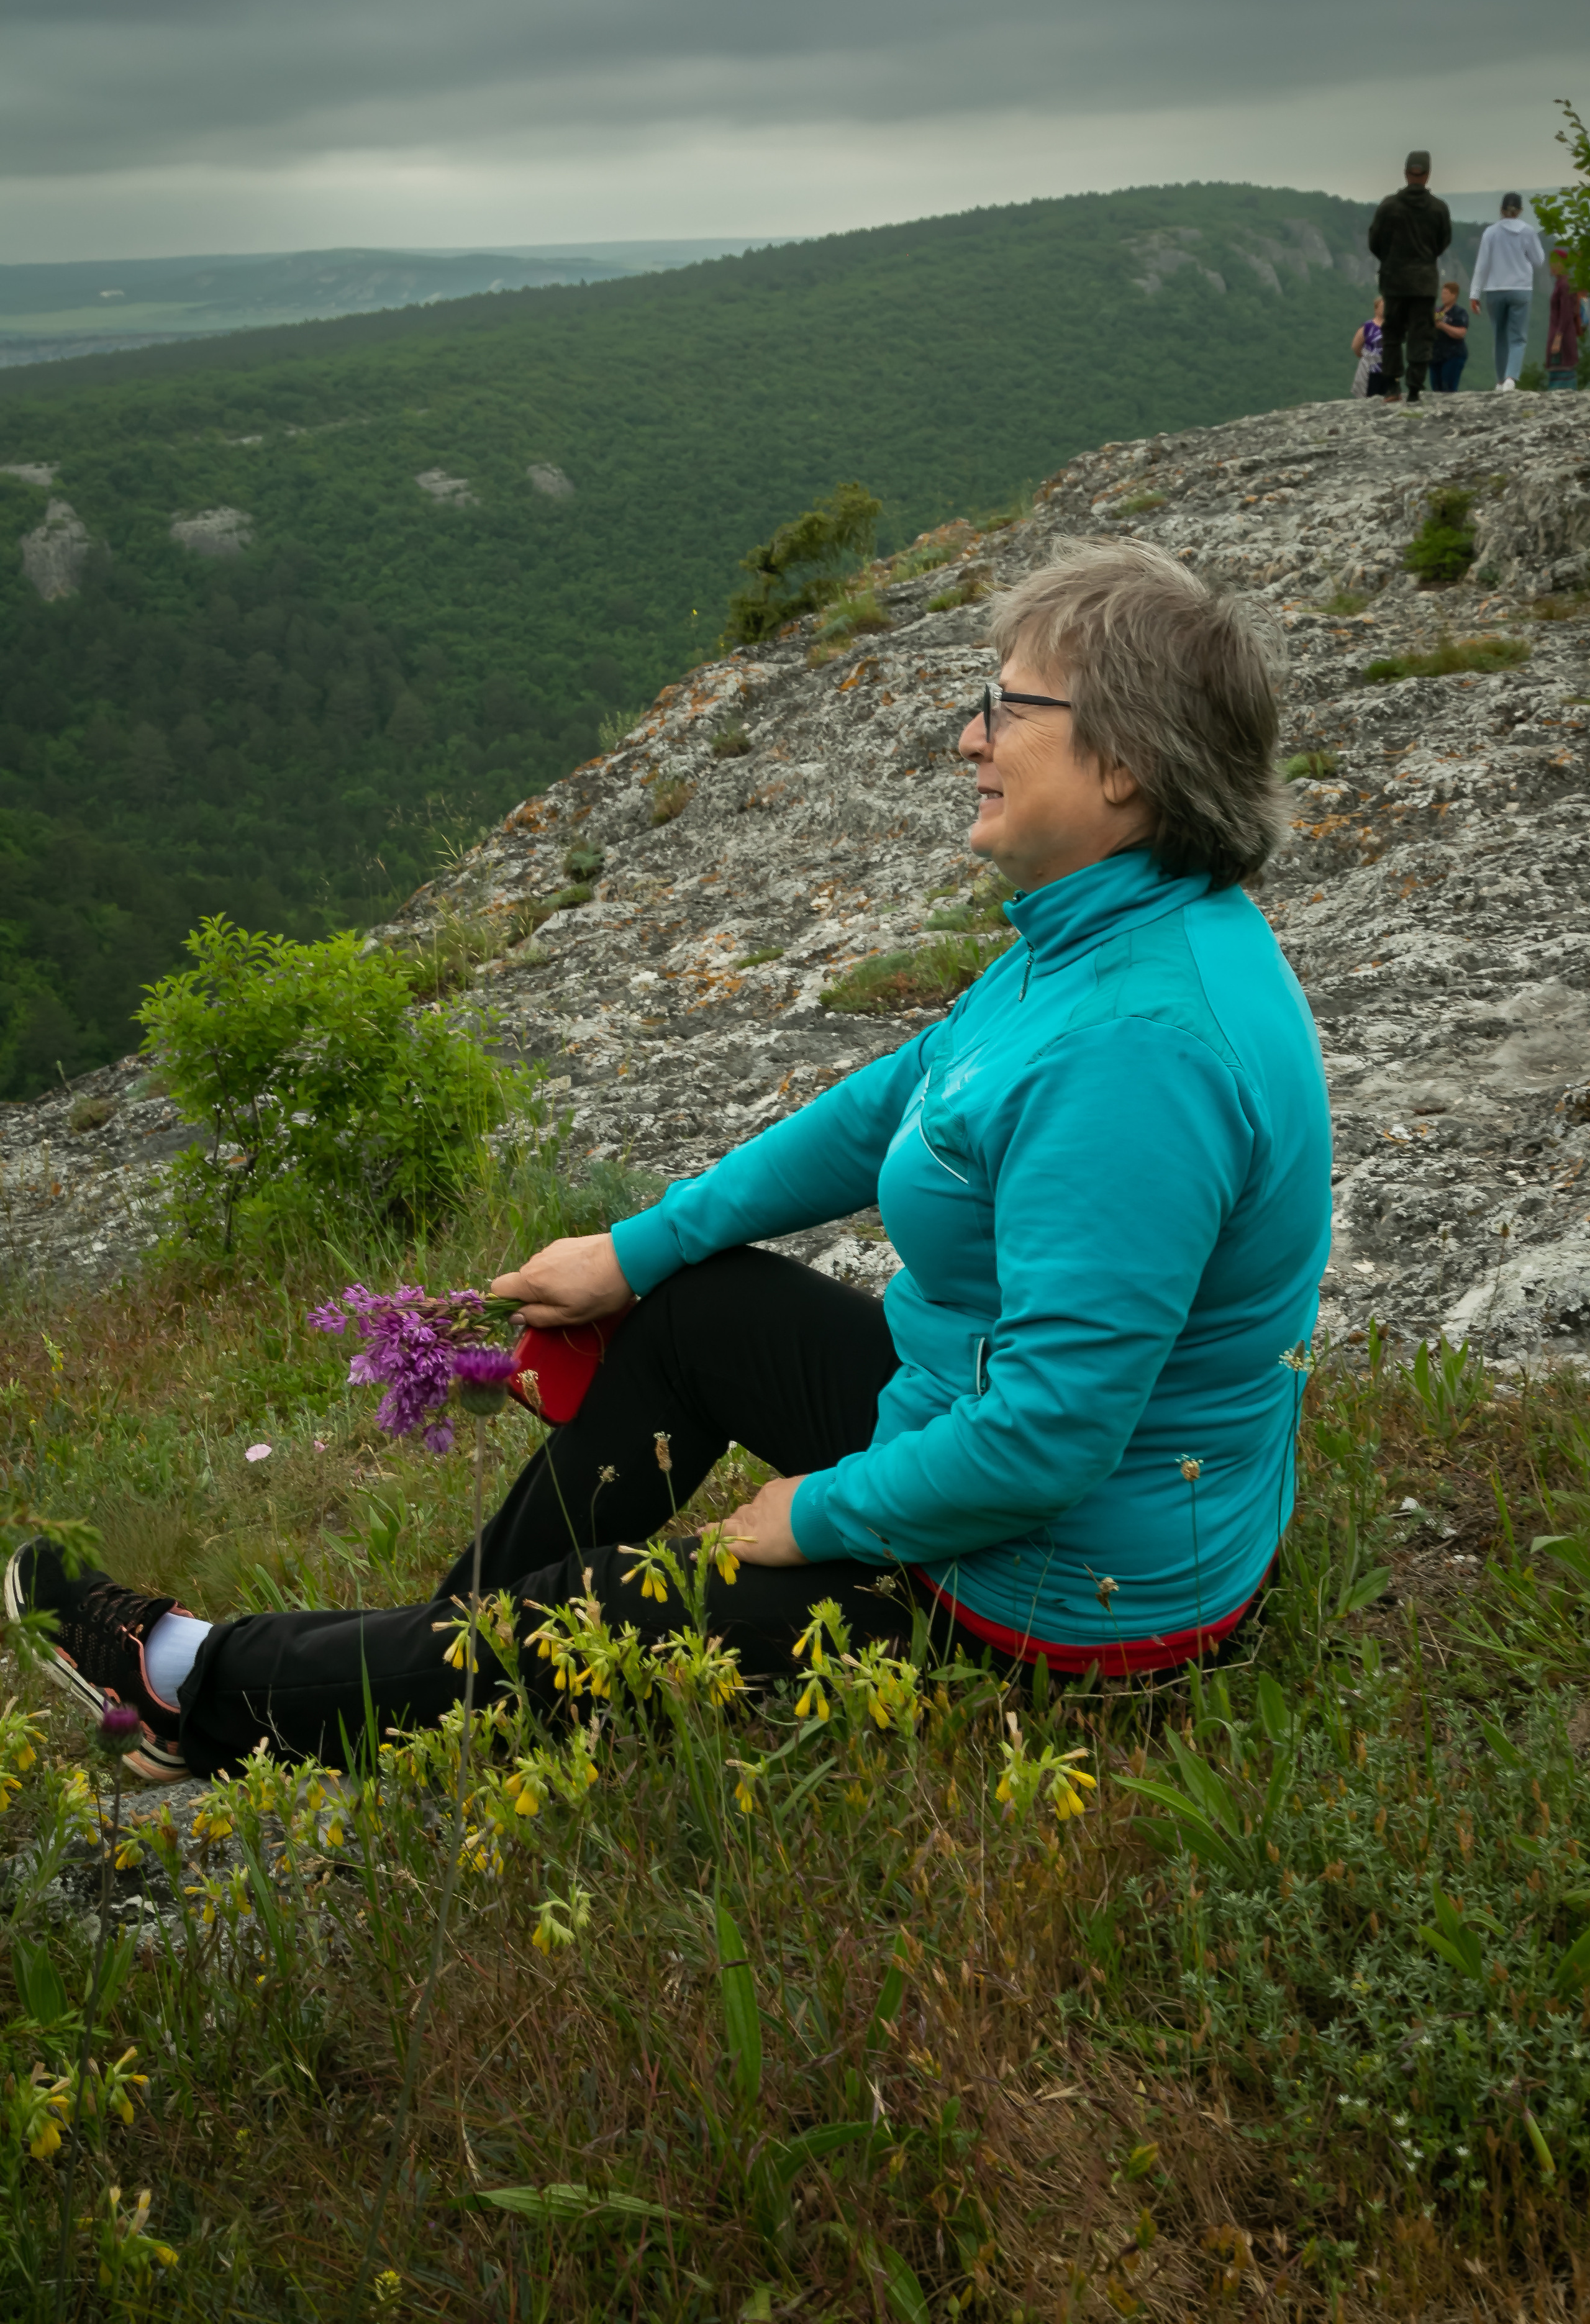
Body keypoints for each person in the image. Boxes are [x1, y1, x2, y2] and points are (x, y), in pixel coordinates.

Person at [6, 542, 1334, 1784]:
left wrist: (817, 1517)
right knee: (695, 1311)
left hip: (1056, 1591)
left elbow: (1050, 1431)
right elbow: (892, 1107)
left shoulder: (1135, 1051)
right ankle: (425, 1668)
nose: (969, 736)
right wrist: (637, 1249)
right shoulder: (1091, 938)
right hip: (983, 1441)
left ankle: (204, 1691)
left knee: (579, 1612)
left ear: (1122, 769)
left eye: (1007, 706)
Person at [1367, 150, 1452, 403]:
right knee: (1421, 333)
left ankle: (1392, 387)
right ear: (1427, 175)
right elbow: (1443, 242)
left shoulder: (1389, 206)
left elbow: (1374, 242)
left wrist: (1391, 259)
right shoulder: (1438, 208)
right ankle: (1415, 388)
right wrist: (1425, 259)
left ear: (1406, 173)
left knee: (1393, 332)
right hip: (1424, 282)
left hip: (1394, 280)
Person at [1470, 193, 1545, 391]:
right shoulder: (1528, 232)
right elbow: (1539, 261)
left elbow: (1482, 265)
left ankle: (1500, 380)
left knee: (1500, 335)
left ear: (1501, 210)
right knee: (1518, 336)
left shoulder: (1491, 233)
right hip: (1521, 289)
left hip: (1495, 289)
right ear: (1520, 211)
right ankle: (1511, 378)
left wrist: (1475, 294)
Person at [1547, 248, 1581, 391]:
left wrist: (1558, 337)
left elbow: (1566, 314)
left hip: (1563, 336)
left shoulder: (1565, 285)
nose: (1551, 266)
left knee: (1563, 371)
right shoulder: (1560, 284)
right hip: (1558, 333)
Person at [1429, 281, 1470, 392]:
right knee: (1436, 388)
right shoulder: (1438, 312)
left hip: (1453, 355)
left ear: (1454, 295)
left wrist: (1443, 326)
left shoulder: (1459, 313)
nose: (1443, 296)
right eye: (1442, 293)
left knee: (1448, 388)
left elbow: (1461, 333)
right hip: (1436, 355)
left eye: (1446, 293)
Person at [1352, 296, 1386, 396]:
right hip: (1371, 369)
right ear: (1376, 309)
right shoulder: (1368, 327)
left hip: (1388, 368)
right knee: (1371, 396)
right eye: (1383, 306)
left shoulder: (1392, 326)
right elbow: (1356, 346)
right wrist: (1365, 356)